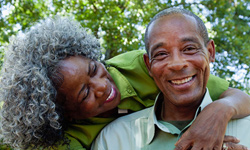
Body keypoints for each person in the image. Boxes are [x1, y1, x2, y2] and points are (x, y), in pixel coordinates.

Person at [0, 15, 249, 150]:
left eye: (95, 69)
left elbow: (238, 96)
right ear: (64, 116)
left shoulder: (141, 66)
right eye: (84, 94)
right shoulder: (73, 140)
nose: (102, 87)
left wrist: (218, 111)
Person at [91, 8, 250, 150]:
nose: (177, 64)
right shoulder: (114, 138)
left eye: (189, 49)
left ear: (210, 52)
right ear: (148, 65)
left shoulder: (246, 127)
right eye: (161, 54)